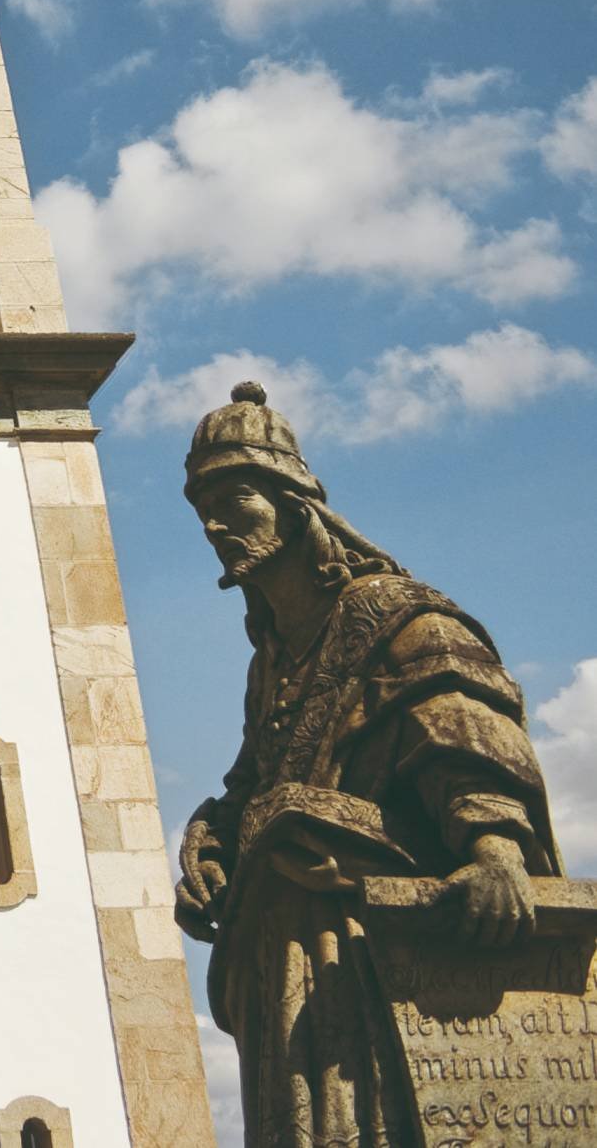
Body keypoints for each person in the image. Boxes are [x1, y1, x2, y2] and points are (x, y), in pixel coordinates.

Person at [173, 382, 559, 1148]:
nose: (214, 524)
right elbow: (254, 779)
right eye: (200, 508)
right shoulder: (273, 659)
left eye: (235, 498)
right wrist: (209, 839)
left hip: (368, 930)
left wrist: (494, 852)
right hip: (291, 943)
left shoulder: (398, 616)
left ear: (294, 503)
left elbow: (458, 723)